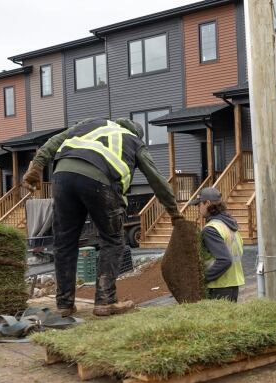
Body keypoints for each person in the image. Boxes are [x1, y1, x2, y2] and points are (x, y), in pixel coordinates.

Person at [22, 118, 181, 317]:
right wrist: (174, 212)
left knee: (64, 243)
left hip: (63, 177)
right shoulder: (134, 141)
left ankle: (64, 305)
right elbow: (156, 180)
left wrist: (36, 166)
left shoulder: (89, 124)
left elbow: (54, 141)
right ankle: (105, 301)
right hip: (100, 182)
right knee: (113, 240)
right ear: (136, 133)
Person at [190, 187, 244, 302]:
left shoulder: (211, 229)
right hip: (232, 284)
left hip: (218, 287)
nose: (198, 208)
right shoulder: (229, 225)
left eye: (199, 204)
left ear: (207, 203)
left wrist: (202, 279)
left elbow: (225, 260)